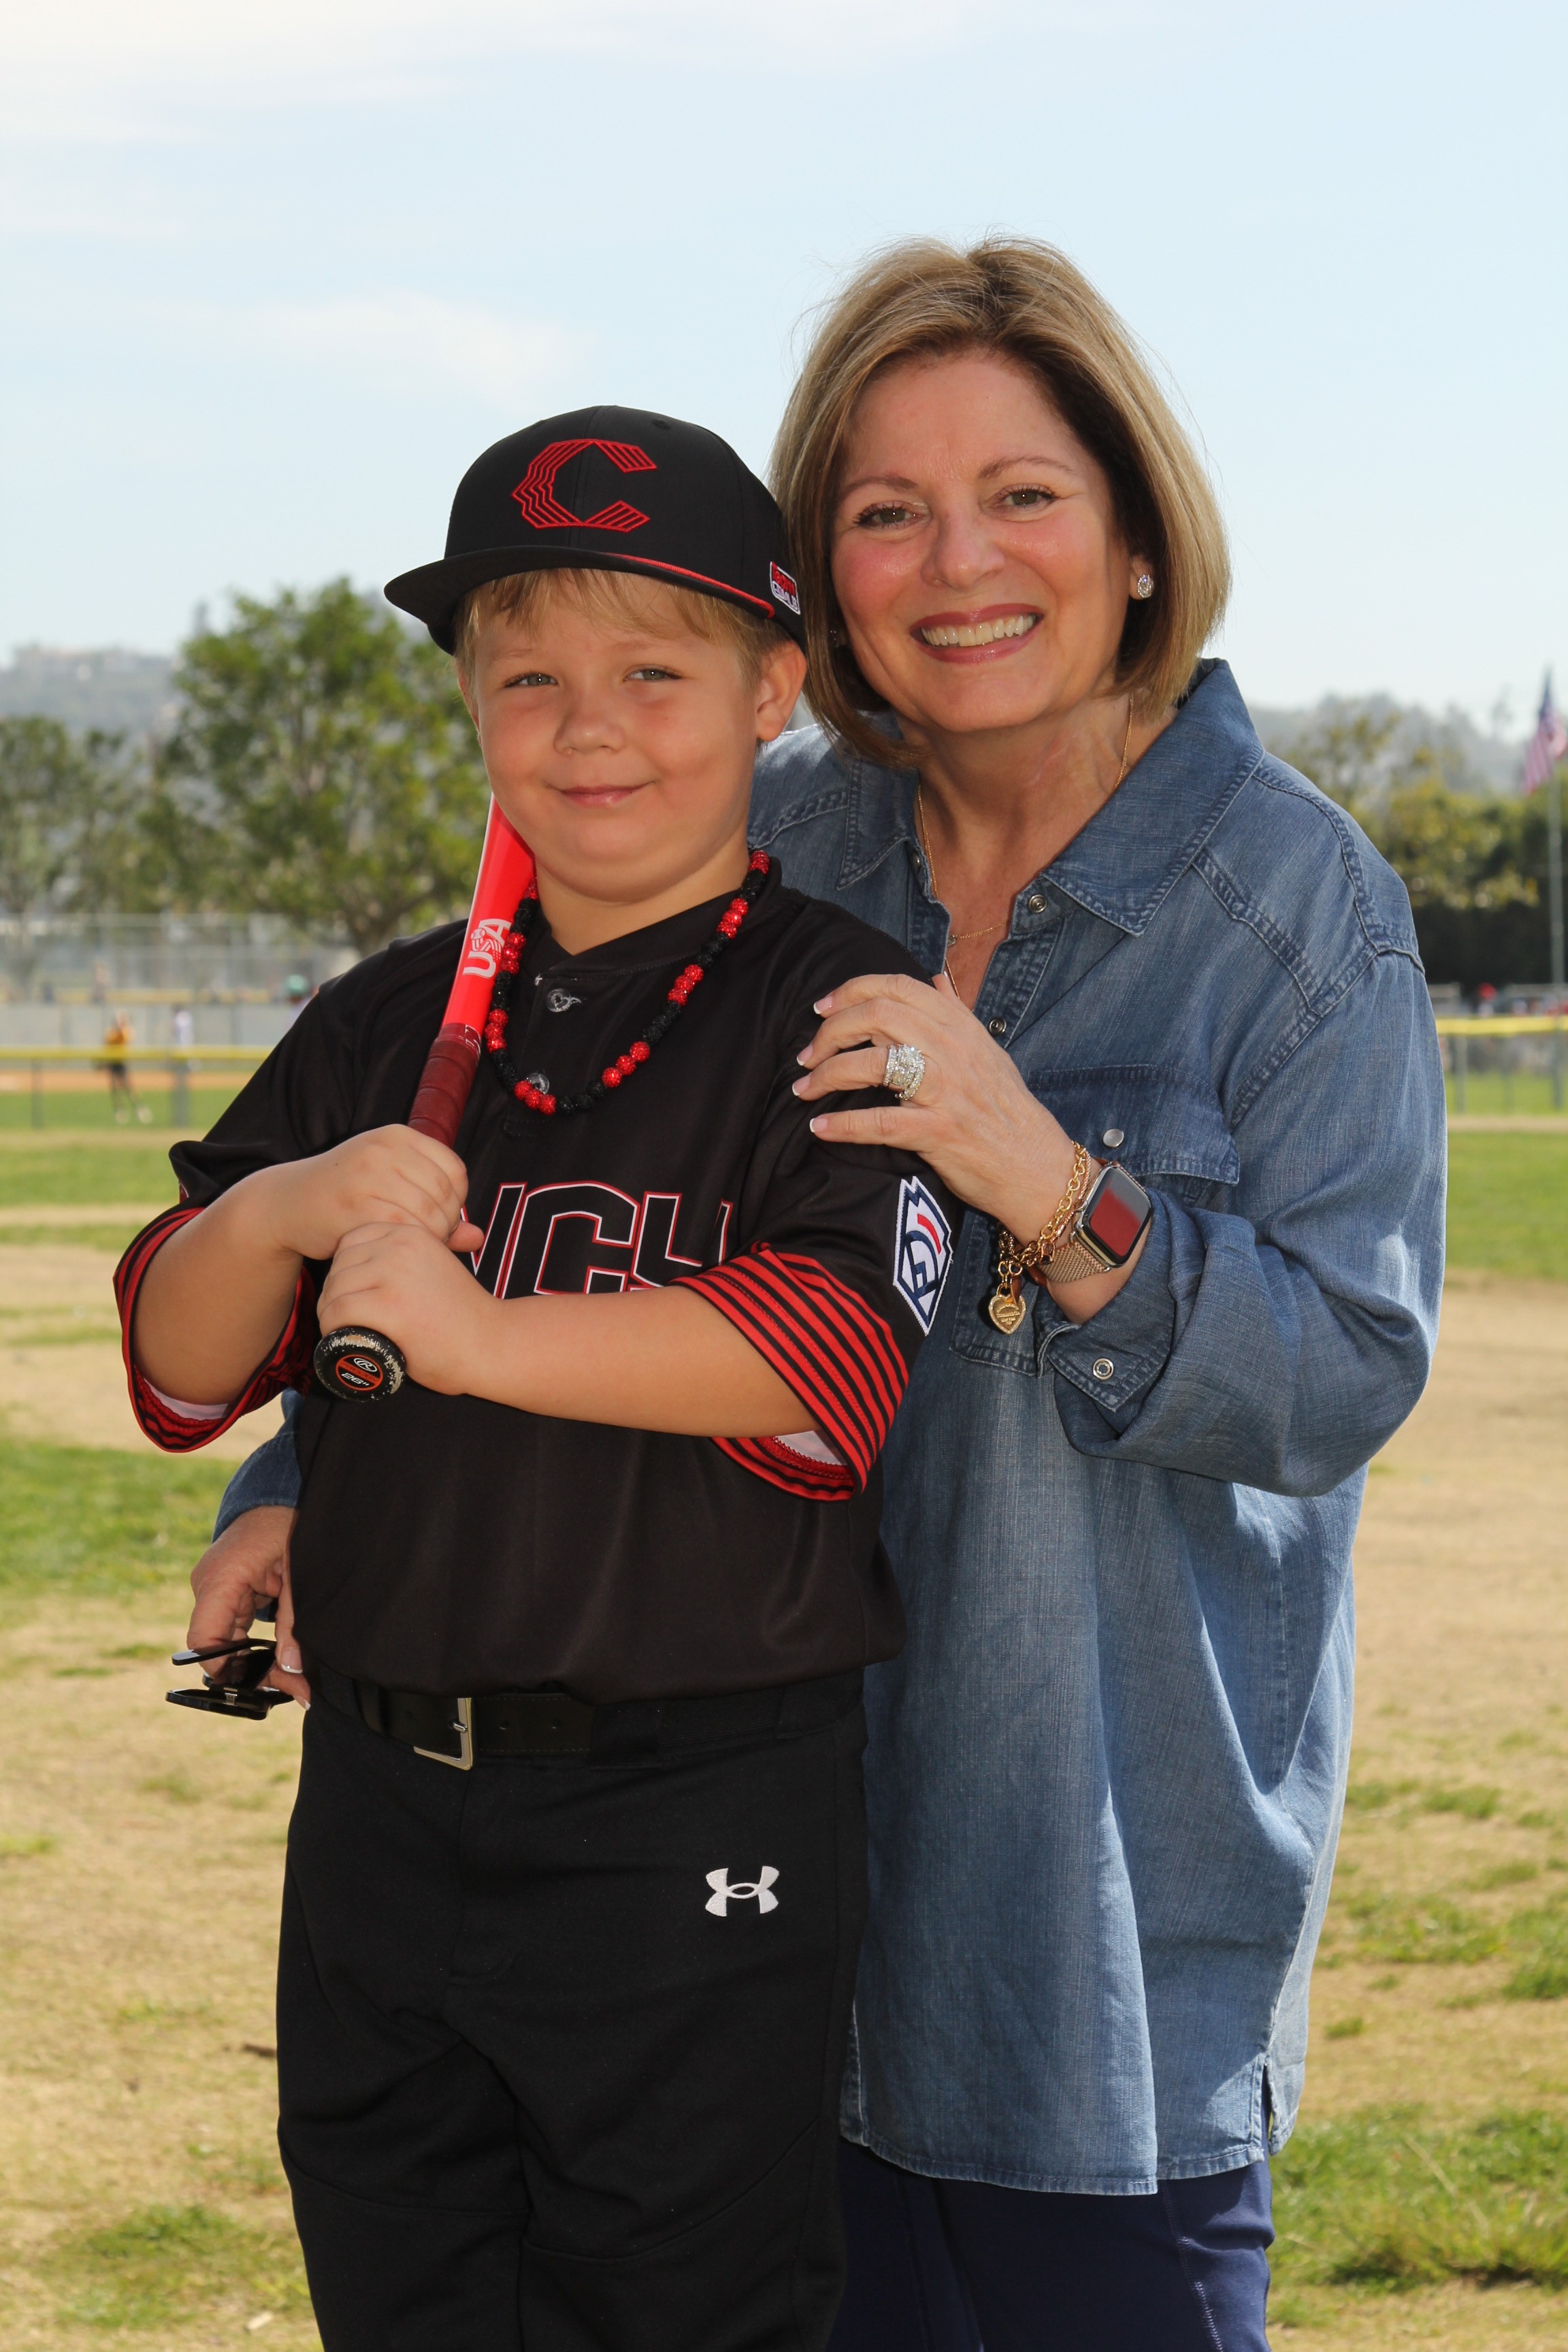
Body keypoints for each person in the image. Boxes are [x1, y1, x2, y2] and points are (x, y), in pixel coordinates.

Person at [203, 243, 1447, 2352]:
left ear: (1140, 531)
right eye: (887, 511)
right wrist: (303, 1470)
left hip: (1067, 1930)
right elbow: (495, 1185)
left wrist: (1052, 1182)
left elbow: (1340, 1377)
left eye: (1023, 495)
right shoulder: (752, 835)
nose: (959, 563)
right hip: (692, 1902)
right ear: (812, 595)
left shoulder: (1297, 906)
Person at [116, 407, 954, 2352]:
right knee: (401, 2294)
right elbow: (179, 1360)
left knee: (678, 2311)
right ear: (473, 707)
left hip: (690, 1806)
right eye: (529, 680)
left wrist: (479, 1329)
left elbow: (827, 1361)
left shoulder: (845, 1008)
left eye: (655, 673)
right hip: (381, 1805)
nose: (591, 729)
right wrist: (284, 1210)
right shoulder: (384, 1021)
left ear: (773, 688)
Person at [101, 1008, 150, 1122]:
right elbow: (106, 1044)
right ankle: (120, 1111)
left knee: (129, 1087)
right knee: (114, 1088)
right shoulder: (110, 1033)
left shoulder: (126, 1031)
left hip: (122, 1062)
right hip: (112, 1062)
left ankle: (139, 1108)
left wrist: (122, 1028)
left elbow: (127, 1037)